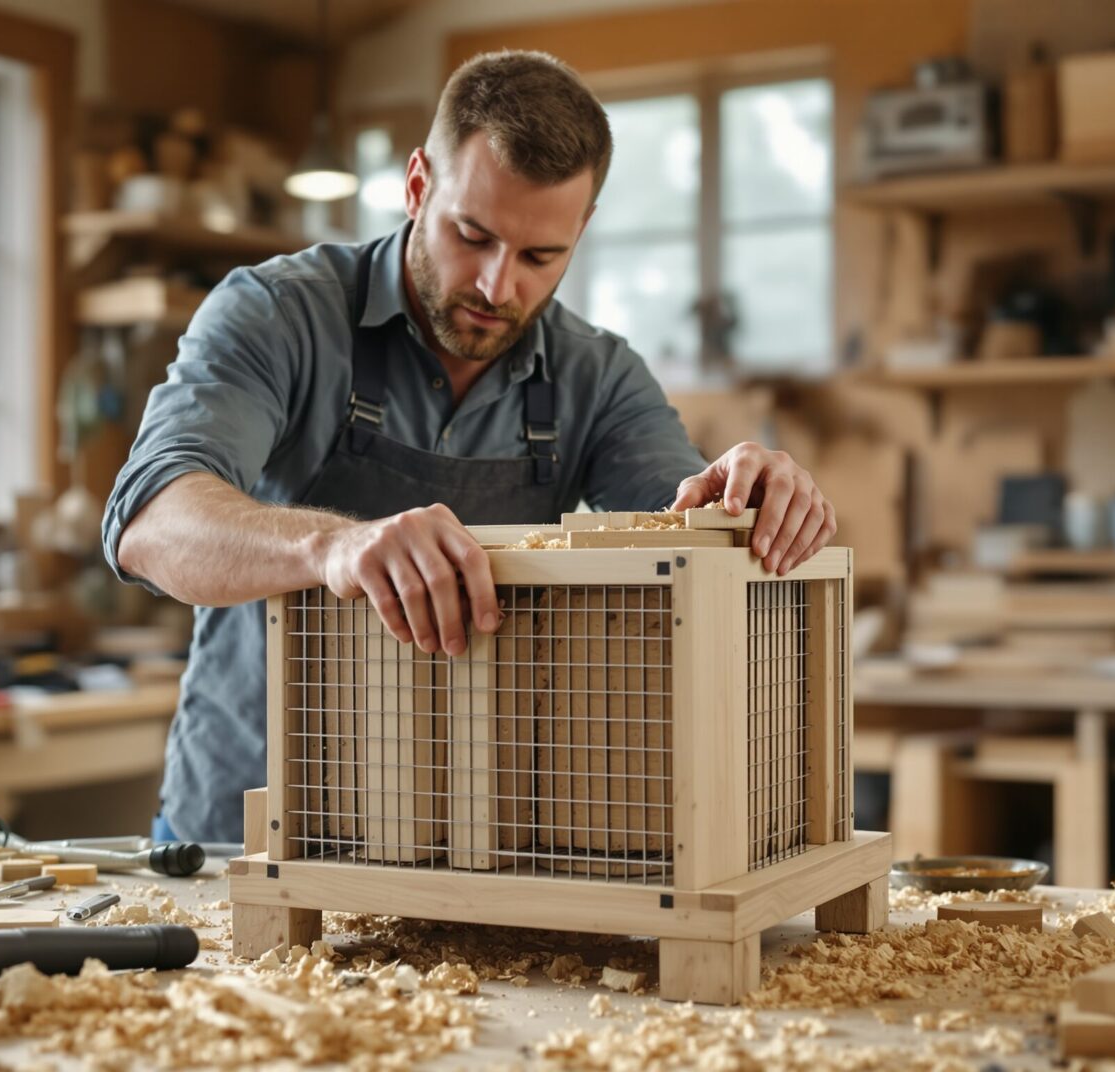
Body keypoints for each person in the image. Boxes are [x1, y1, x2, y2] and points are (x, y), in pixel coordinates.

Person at [104, 50, 836, 843]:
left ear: (580, 230)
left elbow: (682, 523)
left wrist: (742, 499)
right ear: (418, 185)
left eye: (538, 257)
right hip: (247, 830)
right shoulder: (277, 314)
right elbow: (151, 520)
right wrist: (332, 548)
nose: (497, 287)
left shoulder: (599, 376)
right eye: (472, 235)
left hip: (473, 838)